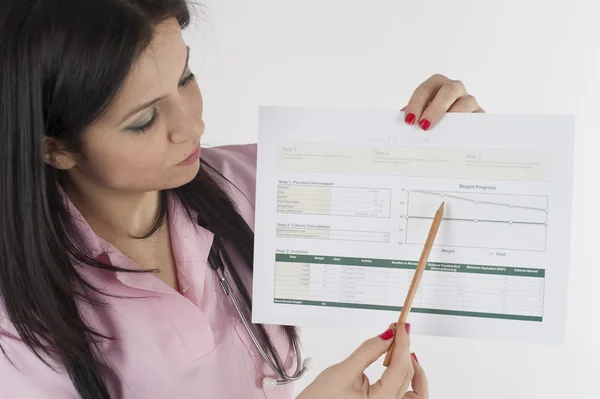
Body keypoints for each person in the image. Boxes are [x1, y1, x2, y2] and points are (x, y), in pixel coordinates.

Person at [0, 1, 484, 398]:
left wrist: (460, 141)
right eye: (144, 120)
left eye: (185, 78)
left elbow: (450, 207)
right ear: (54, 147)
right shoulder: (14, 325)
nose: (193, 126)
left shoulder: (255, 180)